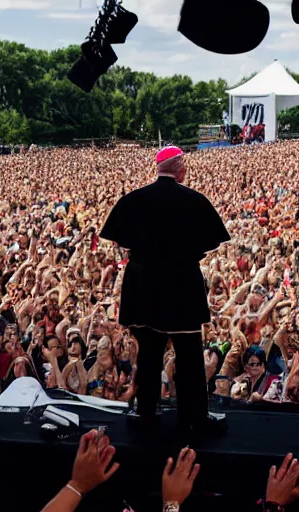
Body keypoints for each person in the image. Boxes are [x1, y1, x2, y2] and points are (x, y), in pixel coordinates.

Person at [100, 146, 230, 431]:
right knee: (189, 353)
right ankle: (195, 415)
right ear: (179, 166)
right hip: (181, 284)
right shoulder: (194, 201)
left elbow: (119, 239)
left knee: (148, 351)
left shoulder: (133, 200)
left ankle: (145, 411)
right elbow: (211, 242)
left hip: (144, 285)